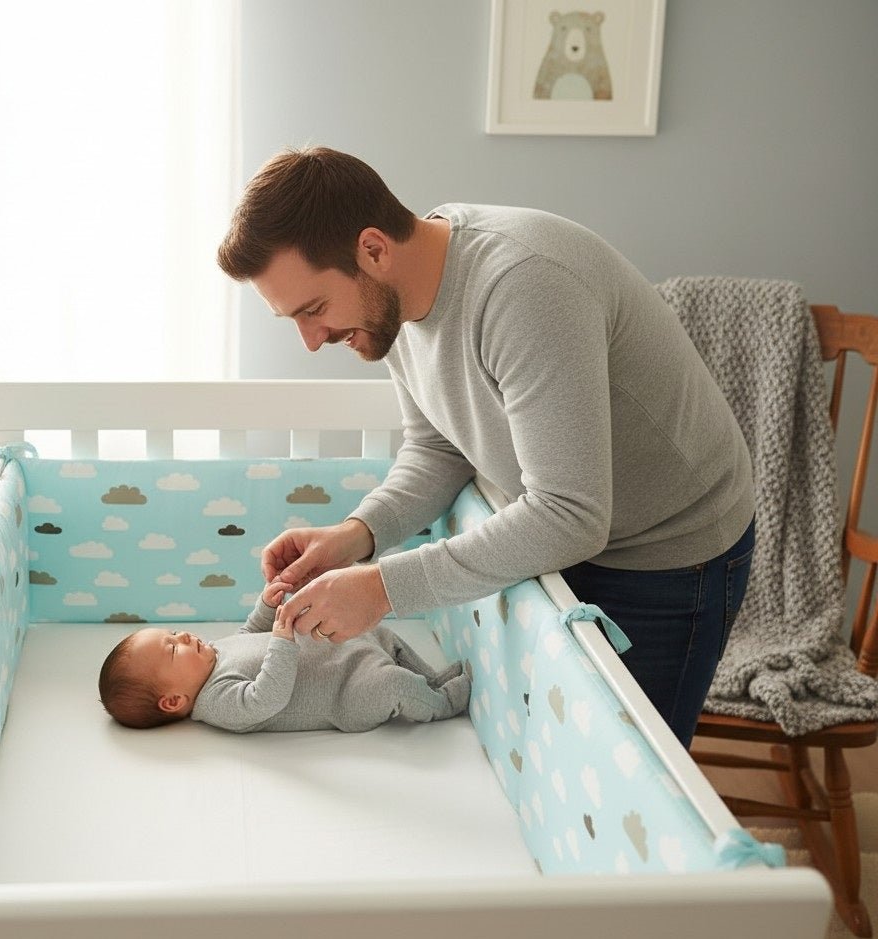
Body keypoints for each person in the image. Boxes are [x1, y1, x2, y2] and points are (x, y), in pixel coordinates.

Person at [215, 146, 756, 749]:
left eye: (313, 309)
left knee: (633, 767)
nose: (312, 340)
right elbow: (438, 449)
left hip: (669, 549)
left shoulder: (524, 287)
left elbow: (571, 514)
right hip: (570, 530)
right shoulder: (393, 303)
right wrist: (356, 535)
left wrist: (381, 589)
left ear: (373, 249)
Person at [98, 580, 471, 732]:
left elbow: (250, 635)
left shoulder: (216, 653)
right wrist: (281, 641)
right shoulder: (215, 703)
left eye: (172, 633)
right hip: (347, 693)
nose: (182, 636)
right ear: (174, 700)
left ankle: (432, 679)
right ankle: (443, 702)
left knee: (381, 634)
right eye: (172, 647)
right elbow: (265, 698)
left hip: (349, 652)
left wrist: (266, 605)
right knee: (392, 683)